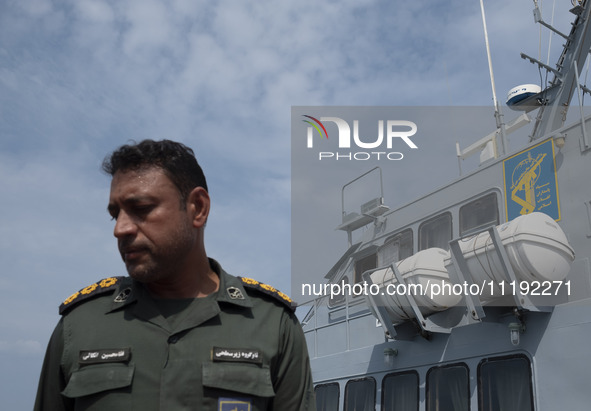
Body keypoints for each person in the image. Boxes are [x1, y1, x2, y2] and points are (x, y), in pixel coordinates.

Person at [34, 139, 316, 410]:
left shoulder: (271, 325)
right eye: (115, 214)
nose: (120, 229)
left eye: (141, 209)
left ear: (198, 208)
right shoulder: (79, 327)